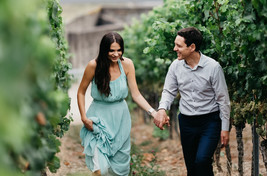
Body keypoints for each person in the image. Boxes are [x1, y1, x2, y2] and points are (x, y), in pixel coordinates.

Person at [77, 32, 164, 176]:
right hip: (98, 120)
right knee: (101, 170)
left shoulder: (127, 64)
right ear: (104, 49)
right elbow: (81, 92)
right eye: (112, 50)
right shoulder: (93, 65)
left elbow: (136, 94)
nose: (116, 54)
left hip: (120, 120)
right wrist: (84, 118)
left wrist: (153, 112)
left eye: (119, 50)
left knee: (120, 170)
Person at [153, 27, 231, 176]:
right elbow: (169, 91)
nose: (175, 48)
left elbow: (223, 100)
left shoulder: (213, 67)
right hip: (187, 122)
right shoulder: (175, 66)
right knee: (192, 168)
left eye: (179, 46)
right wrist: (162, 109)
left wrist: (225, 128)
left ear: (192, 47)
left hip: (209, 122)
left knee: (202, 160)